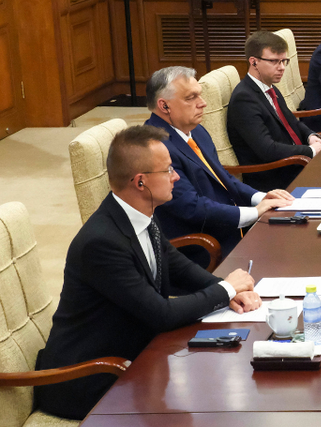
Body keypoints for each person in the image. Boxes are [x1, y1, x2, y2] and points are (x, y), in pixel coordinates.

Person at [34, 125, 262, 420]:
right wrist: (226, 290)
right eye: (167, 170)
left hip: (137, 357)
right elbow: (160, 314)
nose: (176, 176)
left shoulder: (140, 214)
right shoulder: (101, 242)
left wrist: (228, 291)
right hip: (90, 379)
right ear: (140, 182)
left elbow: (176, 265)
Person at [145, 66, 292, 262]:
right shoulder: (156, 147)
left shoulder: (196, 131)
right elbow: (191, 207)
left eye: (200, 95)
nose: (203, 103)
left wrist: (260, 197)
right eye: (191, 98)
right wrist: (253, 213)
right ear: (164, 106)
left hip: (229, 229)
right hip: (200, 248)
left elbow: (223, 178)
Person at [228, 31, 321, 191]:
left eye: (284, 61)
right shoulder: (244, 99)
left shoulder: (270, 88)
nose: (281, 68)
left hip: (295, 165)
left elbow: (292, 122)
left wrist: (310, 136)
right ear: (253, 62)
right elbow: (267, 150)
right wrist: (309, 151)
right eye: (274, 61)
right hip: (274, 179)